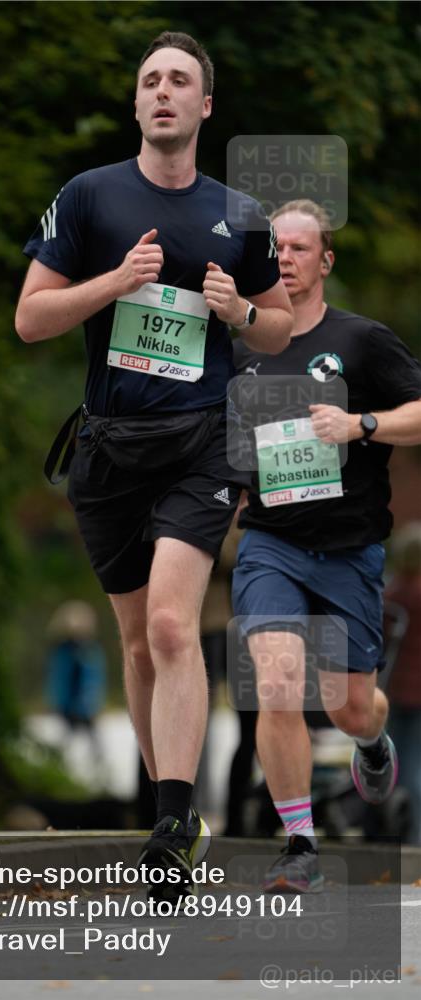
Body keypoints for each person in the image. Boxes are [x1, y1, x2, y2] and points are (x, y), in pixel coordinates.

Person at [16, 30, 292, 898]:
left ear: (203, 106)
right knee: (136, 643)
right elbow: (30, 319)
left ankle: (172, 825)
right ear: (136, 103)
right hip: (108, 447)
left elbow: (281, 328)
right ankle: (172, 811)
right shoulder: (89, 197)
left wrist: (239, 311)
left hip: (200, 442)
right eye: (150, 81)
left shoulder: (239, 215)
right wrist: (113, 282)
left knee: (173, 627)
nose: (162, 91)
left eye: (179, 80)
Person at [231, 198, 421, 891]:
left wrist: (360, 424)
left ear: (325, 261)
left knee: (348, 707)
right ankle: (300, 844)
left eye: (299, 248)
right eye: (274, 248)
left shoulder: (362, 340)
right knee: (277, 683)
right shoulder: (241, 348)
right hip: (270, 542)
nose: (284, 259)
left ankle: (371, 741)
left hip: (347, 549)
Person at [384, 523, 421, 845]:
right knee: (416, 765)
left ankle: (400, 833)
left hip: (397, 690)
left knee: (399, 765)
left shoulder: (393, 593)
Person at [45, 600, 107, 768]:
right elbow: (59, 680)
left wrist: (89, 701)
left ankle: (96, 766)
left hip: (83, 705)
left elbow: (93, 679)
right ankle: (57, 764)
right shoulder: (64, 651)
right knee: (75, 734)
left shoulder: (88, 651)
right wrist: (59, 702)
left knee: (86, 736)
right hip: (69, 704)